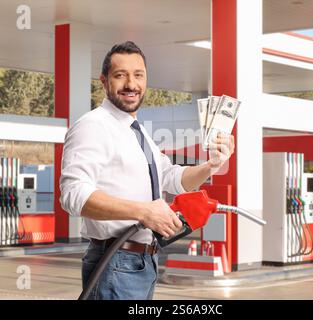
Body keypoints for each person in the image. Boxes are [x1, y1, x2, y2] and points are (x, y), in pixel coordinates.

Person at [59, 41, 234, 300]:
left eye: (138, 75)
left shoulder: (138, 132)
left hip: (142, 262)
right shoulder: (93, 126)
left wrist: (211, 165)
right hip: (115, 261)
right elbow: (73, 195)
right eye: (121, 75)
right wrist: (144, 211)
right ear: (104, 82)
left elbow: (170, 177)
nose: (131, 84)